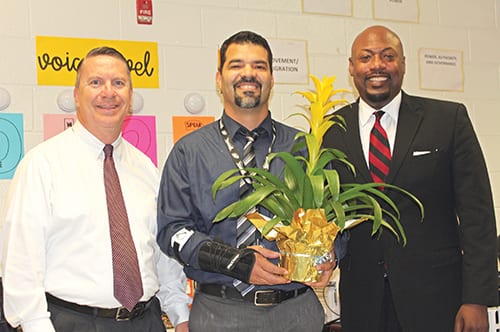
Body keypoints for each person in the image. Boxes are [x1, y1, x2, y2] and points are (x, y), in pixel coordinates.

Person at [0, 47, 190, 332]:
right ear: (77, 95)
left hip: (146, 322)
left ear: (130, 96)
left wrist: (179, 313)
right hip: (72, 322)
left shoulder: (146, 168)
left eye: (118, 83)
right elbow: (21, 264)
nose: (108, 93)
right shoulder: (41, 165)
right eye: (96, 82)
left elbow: (161, 255)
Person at [156, 30, 336, 332]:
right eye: (236, 65)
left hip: (297, 313)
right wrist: (235, 262)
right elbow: (172, 232)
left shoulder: (304, 148)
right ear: (219, 78)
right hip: (220, 313)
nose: (248, 73)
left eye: (259, 66)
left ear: (272, 78)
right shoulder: (189, 151)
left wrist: (330, 255)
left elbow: (332, 221)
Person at [323, 25, 498, 332]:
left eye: (387, 56)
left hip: (438, 299)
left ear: (403, 64)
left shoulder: (447, 120)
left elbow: (477, 216)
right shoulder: (331, 130)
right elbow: (324, 214)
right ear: (352, 67)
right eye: (366, 57)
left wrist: (477, 298)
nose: (377, 65)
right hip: (362, 301)